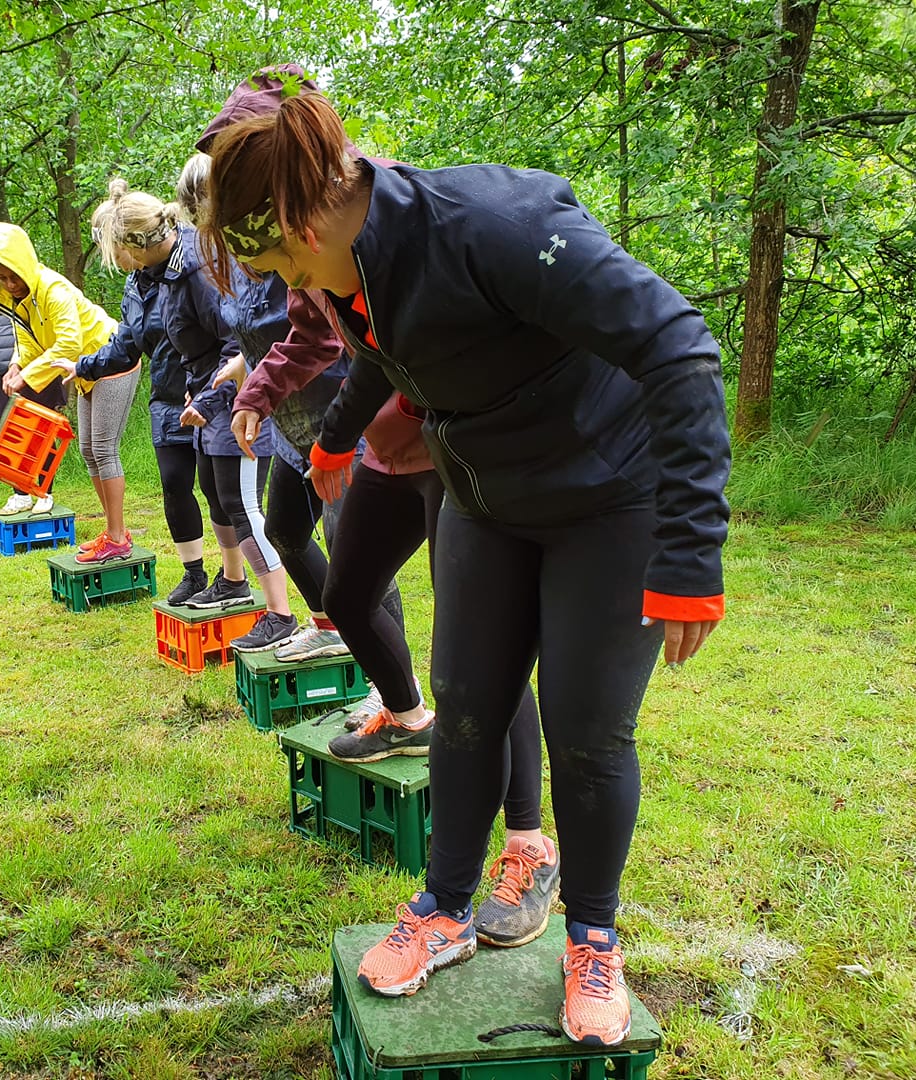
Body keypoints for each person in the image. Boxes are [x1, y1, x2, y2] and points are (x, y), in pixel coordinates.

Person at [203, 88, 730, 1047]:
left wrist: (691, 550)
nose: (287, 285)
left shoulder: (495, 227)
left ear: (306, 216)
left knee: (585, 734)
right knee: (466, 707)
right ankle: (445, 908)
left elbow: (677, 346)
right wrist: (335, 437)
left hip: (612, 504)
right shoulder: (351, 262)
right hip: (488, 503)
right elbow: (386, 343)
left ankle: (593, 937)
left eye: (279, 259)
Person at [203, 66, 556, 951]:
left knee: (483, 646)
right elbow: (340, 338)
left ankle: (527, 843)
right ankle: (403, 715)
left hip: (454, 443)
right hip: (385, 439)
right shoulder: (294, 234)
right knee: (351, 592)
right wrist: (296, 412)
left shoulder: (380, 209)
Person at [159, 190, 295, 653]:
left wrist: (215, 397)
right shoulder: (190, 265)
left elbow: (237, 344)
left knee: (244, 506)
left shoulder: (209, 266)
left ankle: (281, 612)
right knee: (215, 493)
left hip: (242, 406)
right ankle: (234, 581)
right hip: (212, 398)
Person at [68, 187, 214, 590]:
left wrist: (212, 388)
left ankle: (233, 578)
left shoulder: (191, 263)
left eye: (110, 246)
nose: (110, 257)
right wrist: (84, 366)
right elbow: (127, 342)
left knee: (220, 493)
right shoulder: (137, 282)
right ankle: (194, 574)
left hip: (207, 397)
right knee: (174, 486)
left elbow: (223, 331)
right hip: (166, 399)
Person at [0, 222, 126, 551]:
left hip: (112, 358)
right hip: (84, 371)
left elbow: (68, 344)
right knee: (88, 452)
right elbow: (30, 344)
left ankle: (117, 537)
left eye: (14, 276)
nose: (10, 284)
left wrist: (27, 377)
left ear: (25, 266)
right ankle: (114, 533)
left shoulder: (53, 290)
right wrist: (17, 365)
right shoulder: (22, 300)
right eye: (3, 279)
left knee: (103, 450)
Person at [0, 276, 69, 512]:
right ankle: (21, 494)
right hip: (2, 371)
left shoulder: (40, 288)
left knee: (40, 434)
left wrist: (23, 366)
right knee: (10, 438)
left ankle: (45, 492)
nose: (8, 283)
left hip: (35, 368)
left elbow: (44, 334)